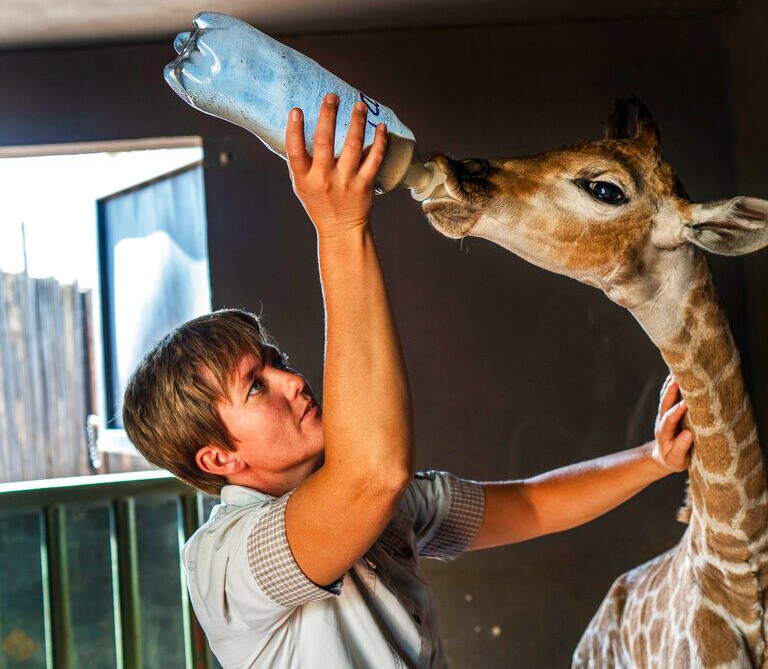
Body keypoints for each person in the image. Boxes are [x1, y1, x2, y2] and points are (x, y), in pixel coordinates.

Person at [121, 93, 694, 668]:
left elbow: (530, 505)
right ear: (217, 459)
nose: (292, 381)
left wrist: (655, 458)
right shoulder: (224, 563)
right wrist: (340, 228)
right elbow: (371, 476)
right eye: (255, 386)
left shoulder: (386, 506)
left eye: (276, 361)